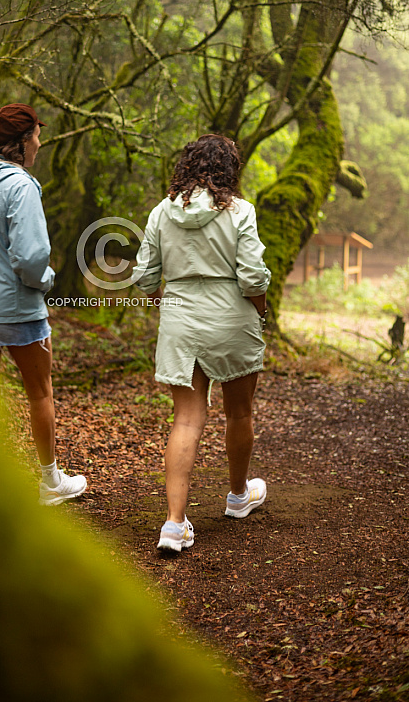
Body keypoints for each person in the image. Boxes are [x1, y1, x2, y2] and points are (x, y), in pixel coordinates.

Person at [133, 134, 271, 551]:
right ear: (230, 170)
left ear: (186, 166)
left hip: (180, 323)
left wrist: (170, 303)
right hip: (231, 319)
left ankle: (174, 525)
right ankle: (238, 496)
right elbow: (252, 277)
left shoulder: (161, 212)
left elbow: (142, 277)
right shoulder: (241, 212)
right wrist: (261, 312)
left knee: (188, 420)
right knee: (239, 412)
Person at [0, 103, 87, 506]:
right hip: (15, 306)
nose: (41, 143)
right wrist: (46, 280)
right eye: (36, 137)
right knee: (39, 392)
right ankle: (50, 483)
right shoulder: (21, 185)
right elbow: (31, 259)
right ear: (21, 142)